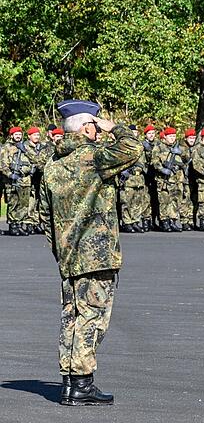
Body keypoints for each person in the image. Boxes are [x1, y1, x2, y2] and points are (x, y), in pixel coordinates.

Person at [39, 99, 142, 406]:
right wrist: (116, 128)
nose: (99, 131)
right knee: (92, 319)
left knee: (71, 318)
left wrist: (61, 251)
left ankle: (71, 382)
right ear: (87, 127)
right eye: (95, 126)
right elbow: (134, 148)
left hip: (69, 257)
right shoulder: (95, 157)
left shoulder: (53, 166)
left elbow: (46, 218)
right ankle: (82, 384)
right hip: (97, 256)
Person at [1, 126, 34, 236]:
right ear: (11, 135)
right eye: (16, 134)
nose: (18, 136)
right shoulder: (6, 147)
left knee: (23, 203)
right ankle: (13, 225)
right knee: (13, 202)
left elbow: (34, 160)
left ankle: (19, 224)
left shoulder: (25, 147)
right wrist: (10, 174)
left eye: (20, 134)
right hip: (12, 180)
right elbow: (2, 164)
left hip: (25, 179)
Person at [151, 127, 185, 232]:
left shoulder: (178, 148)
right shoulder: (159, 147)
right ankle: (164, 222)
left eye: (174, 136)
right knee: (164, 201)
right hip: (164, 180)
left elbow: (185, 160)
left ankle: (173, 221)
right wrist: (162, 169)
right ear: (165, 137)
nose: (172, 138)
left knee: (176, 201)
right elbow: (154, 161)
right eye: (170, 136)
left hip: (177, 180)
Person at [117, 125, 148, 233]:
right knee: (127, 201)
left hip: (138, 178)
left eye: (136, 132)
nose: (134, 133)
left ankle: (135, 221)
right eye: (132, 132)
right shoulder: (124, 144)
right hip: (128, 179)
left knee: (137, 201)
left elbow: (142, 161)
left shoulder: (139, 145)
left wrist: (137, 167)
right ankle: (127, 222)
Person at [23, 126, 49, 234]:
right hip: (30, 177)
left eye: (38, 135)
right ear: (29, 136)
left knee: (39, 200)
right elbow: (32, 159)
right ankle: (30, 222)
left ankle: (37, 222)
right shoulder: (25, 147)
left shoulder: (42, 146)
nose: (37, 137)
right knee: (31, 200)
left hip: (40, 176)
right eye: (34, 135)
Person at [140, 125, 158, 231]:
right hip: (146, 174)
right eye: (149, 133)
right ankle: (145, 221)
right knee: (146, 199)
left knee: (155, 199)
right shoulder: (142, 145)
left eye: (153, 133)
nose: (151, 135)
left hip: (155, 175)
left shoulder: (157, 145)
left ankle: (153, 220)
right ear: (146, 135)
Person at [179, 128, 197, 231]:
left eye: (194, 138)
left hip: (193, 178)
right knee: (185, 200)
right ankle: (184, 221)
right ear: (186, 138)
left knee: (193, 199)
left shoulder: (194, 148)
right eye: (190, 138)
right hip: (184, 178)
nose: (192, 140)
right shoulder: (182, 148)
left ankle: (191, 220)